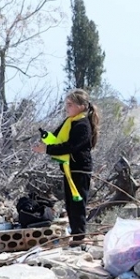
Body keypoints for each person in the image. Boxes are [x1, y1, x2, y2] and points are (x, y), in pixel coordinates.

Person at [33, 88, 99, 245]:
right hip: (69, 168)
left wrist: (47, 150)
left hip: (79, 169)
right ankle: (76, 235)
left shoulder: (82, 125)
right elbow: (57, 139)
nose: (66, 108)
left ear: (81, 106)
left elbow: (70, 146)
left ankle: (80, 236)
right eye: (66, 104)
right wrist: (46, 139)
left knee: (77, 204)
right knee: (70, 204)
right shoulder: (69, 122)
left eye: (70, 104)